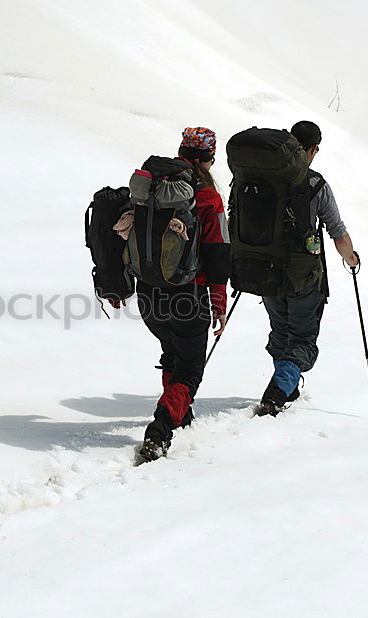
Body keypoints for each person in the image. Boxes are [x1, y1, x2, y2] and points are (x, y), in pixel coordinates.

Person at [110, 127, 230, 460]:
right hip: (187, 296)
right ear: (210, 158)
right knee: (190, 369)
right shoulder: (206, 197)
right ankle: (161, 429)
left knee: (172, 353)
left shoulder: (149, 189)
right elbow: (218, 254)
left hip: (149, 295)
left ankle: (181, 414)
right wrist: (218, 304)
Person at [256, 121, 359, 416]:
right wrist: (351, 258)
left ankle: (286, 384)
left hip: (266, 272)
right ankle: (278, 390)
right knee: (301, 339)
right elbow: (337, 233)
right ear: (313, 149)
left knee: (280, 330)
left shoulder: (263, 178)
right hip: (303, 276)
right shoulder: (315, 185)